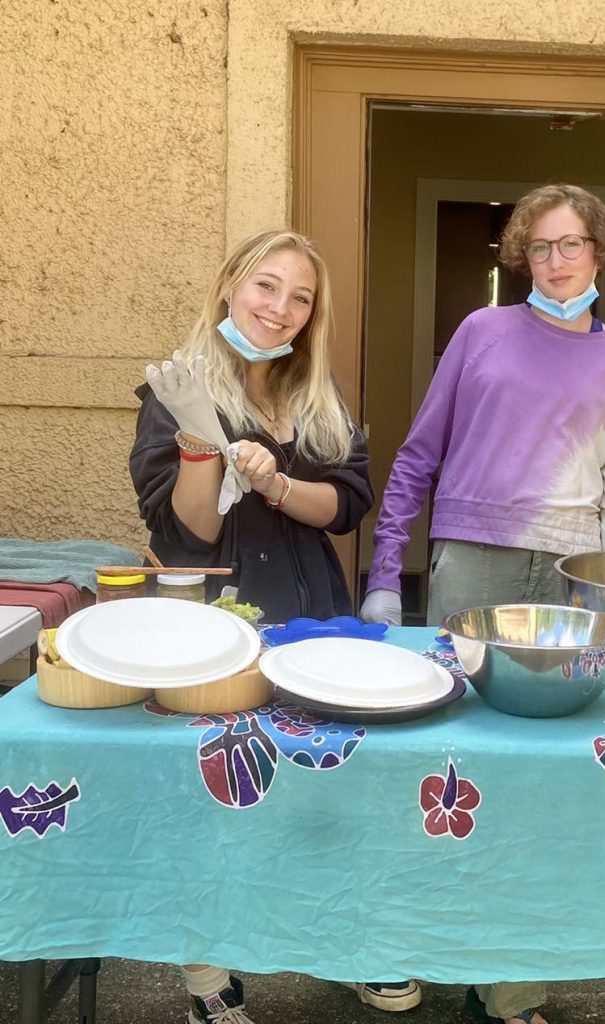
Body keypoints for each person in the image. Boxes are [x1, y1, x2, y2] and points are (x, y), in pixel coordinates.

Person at [361, 184, 605, 1024]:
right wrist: (388, 569)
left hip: (567, 577)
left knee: (540, 782)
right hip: (471, 568)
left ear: (601, 252)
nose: (555, 262)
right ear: (521, 256)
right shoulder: (481, 332)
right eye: (539, 248)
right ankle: (403, 944)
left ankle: (512, 983)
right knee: (441, 761)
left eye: (571, 246)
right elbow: (419, 454)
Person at [129, 229, 417, 1022]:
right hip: (218, 622)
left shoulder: (316, 396)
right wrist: (199, 444)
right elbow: (186, 533)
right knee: (214, 793)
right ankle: (209, 979)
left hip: (314, 617)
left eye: (300, 297)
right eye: (265, 287)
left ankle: (352, 944)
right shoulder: (176, 388)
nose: (279, 309)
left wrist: (280, 482)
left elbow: (346, 507)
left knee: (336, 787)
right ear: (230, 287)